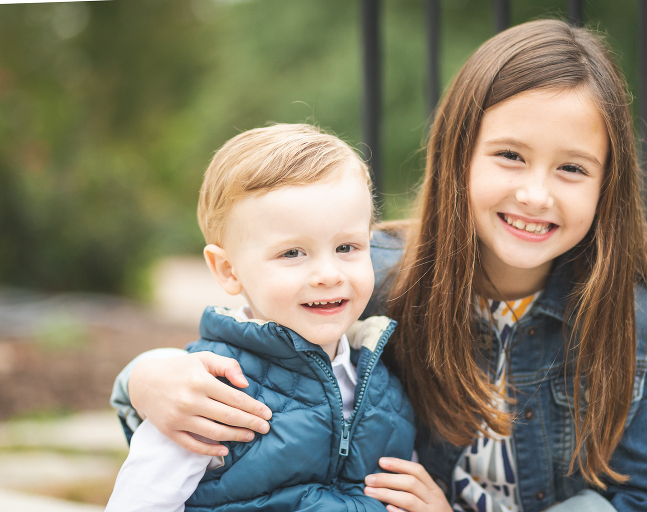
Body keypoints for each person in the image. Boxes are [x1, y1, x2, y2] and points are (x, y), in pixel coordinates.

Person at [111, 20, 647, 512]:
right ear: (460, 154)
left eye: (572, 169)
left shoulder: (635, 315)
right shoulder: (370, 279)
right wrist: (144, 377)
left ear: (610, 183)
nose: (535, 194)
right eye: (509, 156)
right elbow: (253, 340)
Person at [106, 123, 416, 512]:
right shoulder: (207, 392)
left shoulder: (384, 381)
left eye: (347, 247)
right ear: (228, 270)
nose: (329, 274)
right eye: (292, 253)